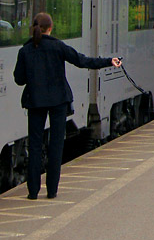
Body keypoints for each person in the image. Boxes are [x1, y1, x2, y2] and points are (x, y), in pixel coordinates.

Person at [13, 12, 120, 200]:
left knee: (35, 145)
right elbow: (82, 61)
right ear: (50, 28)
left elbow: (19, 79)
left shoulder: (25, 50)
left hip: (35, 102)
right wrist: (108, 61)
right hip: (58, 102)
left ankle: (33, 192)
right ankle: (52, 190)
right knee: (56, 145)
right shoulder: (58, 47)